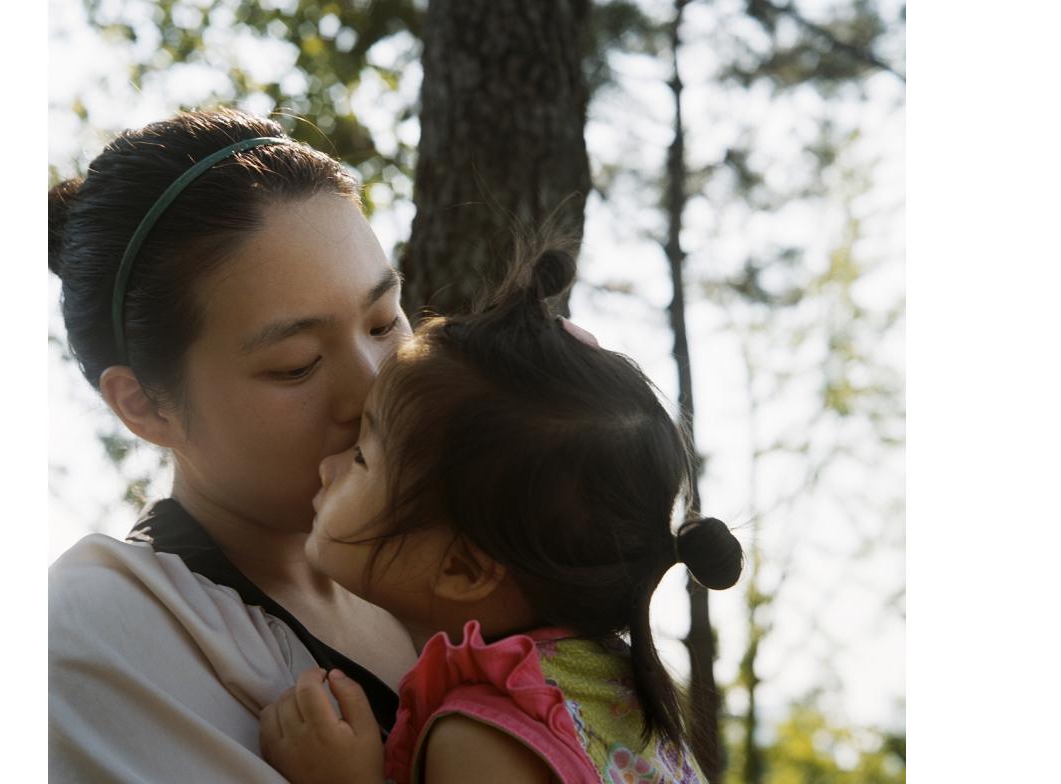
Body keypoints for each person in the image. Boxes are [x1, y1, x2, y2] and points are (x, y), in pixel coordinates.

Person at [257, 247, 745, 784]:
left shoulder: (485, 738)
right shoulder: (607, 687)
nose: (329, 466)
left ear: (462, 569)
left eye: (361, 458)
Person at [47, 108, 419, 781]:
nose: (374, 391)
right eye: (297, 364)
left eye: (384, 321)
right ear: (146, 406)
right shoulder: (107, 634)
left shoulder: (458, 561)